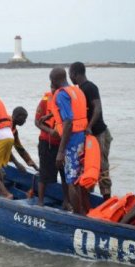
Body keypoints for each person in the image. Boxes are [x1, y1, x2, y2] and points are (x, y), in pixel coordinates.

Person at [69, 62, 113, 200]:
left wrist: (89, 126)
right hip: (88, 136)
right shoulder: (79, 90)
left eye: (70, 74)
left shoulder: (90, 87)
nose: (70, 77)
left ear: (75, 74)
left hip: (99, 133)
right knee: (88, 167)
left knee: (101, 166)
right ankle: (89, 200)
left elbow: (97, 108)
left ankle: (106, 199)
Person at [49, 67, 88, 214]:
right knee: (79, 178)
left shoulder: (61, 95)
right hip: (82, 139)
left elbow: (68, 122)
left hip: (71, 141)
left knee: (71, 180)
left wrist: (60, 151)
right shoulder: (77, 91)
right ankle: (84, 210)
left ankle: (77, 216)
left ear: (54, 80)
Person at [35, 91, 69, 208]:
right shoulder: (45, 100)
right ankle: (40, 202)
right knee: (44, 173)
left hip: (64, 143)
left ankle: (66, 201)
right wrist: (50, 131)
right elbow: (37, 121)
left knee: (66, 174)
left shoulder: (66, 100)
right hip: (47, 142)